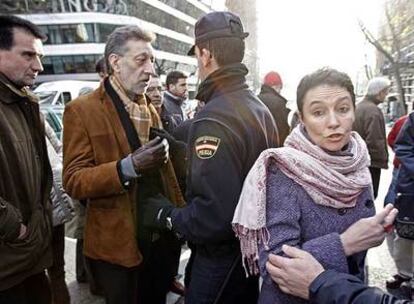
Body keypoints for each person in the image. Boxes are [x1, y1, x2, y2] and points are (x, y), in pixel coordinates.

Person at [142, 11, 279, 304]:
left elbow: (214, 217)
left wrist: (166, 215)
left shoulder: (214, 118)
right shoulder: (258, 108)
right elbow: (243, 168)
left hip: (220, 260)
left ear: (205, 55)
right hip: (248, 256)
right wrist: (184, 151)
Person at [233, 67, 379, 303]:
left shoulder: (357, 161)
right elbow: (274, 263)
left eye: (343, 109)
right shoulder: (284, 169)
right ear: (302, 118)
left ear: (354, 111)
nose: (333, 122)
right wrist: (346, 243)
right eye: (318, 112)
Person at [62, 25, 185, 304]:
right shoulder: (82, 110)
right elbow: (73, 180)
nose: (151, 70)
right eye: (142, 60)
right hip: (118, 248)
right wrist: (127, 167)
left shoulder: (148, 108)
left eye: (152, 61)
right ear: (115, 63)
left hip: (158, 240)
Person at [0, 14, 53, 304]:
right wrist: (14, 228)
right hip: (9, 260)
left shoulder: (23, 100)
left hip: (28, 256)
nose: (39, 66)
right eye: (28, 55)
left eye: (39, 56)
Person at [145, 74, 186, 297]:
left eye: (159, 89)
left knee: (173, 243)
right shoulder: (142, 118)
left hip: (175, 186)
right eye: (151, 90)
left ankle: (171, 277)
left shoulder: (168, 113)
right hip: (156, 193)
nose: (156, 94)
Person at [44, 119, 73, 304]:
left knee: (57, 270)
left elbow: (60, 147)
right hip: (29, 212)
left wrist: (58, 170)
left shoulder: (35, 111)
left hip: (53, 204)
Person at [353, 77, 391, 199]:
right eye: (385, 92)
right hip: (371, 163)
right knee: (369, 198)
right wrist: (382, 159)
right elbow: (375, 140)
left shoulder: (357, 107)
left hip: (356, 160)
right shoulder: (373, 111)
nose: (386, 96)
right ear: (379, 92)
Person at [390, 111, 414, 293]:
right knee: (405, 235)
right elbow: (402, 145)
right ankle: (404, 273)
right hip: (411, 188)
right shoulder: (412, 119)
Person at [258, 71, 290, 144]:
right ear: (276, 86)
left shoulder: (255, 99)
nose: (280, 91)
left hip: (256, 148)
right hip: (273, 148)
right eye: (280, 88)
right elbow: (282, 131)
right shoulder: (279, 103)